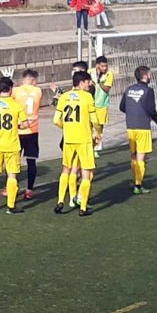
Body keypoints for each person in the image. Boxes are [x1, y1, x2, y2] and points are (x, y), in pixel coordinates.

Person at [0, 77, 30, 215]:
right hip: (12, 145)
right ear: (10, 88)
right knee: (12, 175)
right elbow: (26, 124)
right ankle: (10, 206)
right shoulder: (16, 105)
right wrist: (17, 125)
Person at [53, 71, 99, 217]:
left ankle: (60, 201)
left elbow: (56, 120)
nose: (89, 84)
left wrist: (66, 127)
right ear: (81, 83)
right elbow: (95, 120)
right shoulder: (87, 97)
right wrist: (97, 133)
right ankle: (83, 208)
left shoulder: (64, 96)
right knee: (86, 173)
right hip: (84, 139)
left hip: (68, 139)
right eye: (87, 82)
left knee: (66, 170)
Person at [119, 65, 157, 194]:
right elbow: (151, 109)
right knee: (141, 157)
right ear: (145, 76)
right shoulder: (148, 91)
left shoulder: (129, 89)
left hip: (130, 127)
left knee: (134, 155)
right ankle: (138, 185)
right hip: (143, 128)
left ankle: (135, 180)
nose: (151, 76)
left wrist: (133, 113)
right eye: (150, 74)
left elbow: (122, 107)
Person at [13, 69, 43, 199]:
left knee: (14, 161)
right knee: (31, 161)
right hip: (32, 131)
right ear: (33, 80)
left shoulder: (16, 90)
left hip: (18, 130)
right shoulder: (38, 91)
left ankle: (12, 188)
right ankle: (29, 189)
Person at [87, 56, 113, 157]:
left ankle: (95, 148)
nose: (105, 68)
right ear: (97, 65)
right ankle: (89, 147)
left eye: (106, 66)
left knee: (99, 129)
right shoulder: (90, 72)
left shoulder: (109, 74)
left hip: (102, 105)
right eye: (102, 66)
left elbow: (107, 88)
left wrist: (98, 82)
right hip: (91, 104)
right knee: (89, 127)